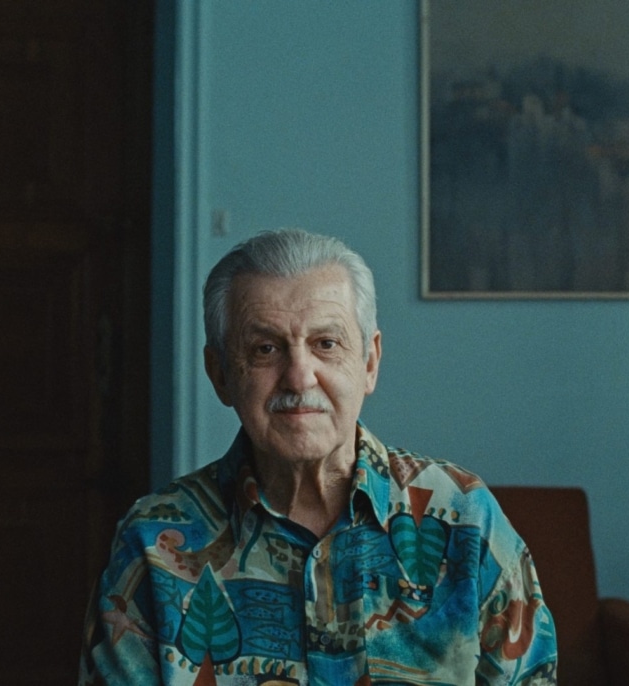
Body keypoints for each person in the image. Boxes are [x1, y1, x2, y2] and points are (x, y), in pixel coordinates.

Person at [79, 229, 557, 685]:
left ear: (369, 362)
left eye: (326, 344)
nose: (299, 377)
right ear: (220, 373)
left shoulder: (464, 518)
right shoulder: (151, 544)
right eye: (265, 349)